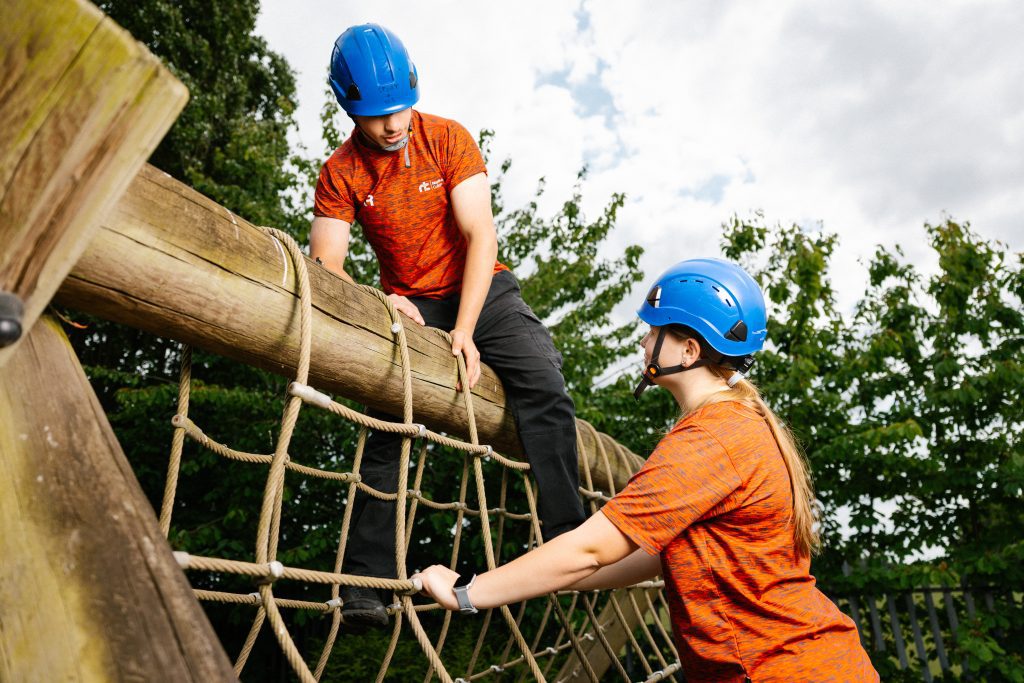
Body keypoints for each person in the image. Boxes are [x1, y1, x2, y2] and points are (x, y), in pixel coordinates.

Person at [414, 258, 880, 682]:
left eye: (654, 331)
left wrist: (465, 593)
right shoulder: (738, 424)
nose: (643, 341)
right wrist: (551, 575)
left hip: (779, 669)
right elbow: (650, 556)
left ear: (689, 351)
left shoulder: (710, 439)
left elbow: (591, 548)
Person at [310, 23, 586, 629]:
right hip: (411, 303)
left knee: (544, 383)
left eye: (400, 108)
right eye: (376, 114)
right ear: (348, 107)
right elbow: (326, 265)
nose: (392, 124)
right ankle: (367, 583)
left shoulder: (447, 138)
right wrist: (382, 301)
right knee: (388, 420)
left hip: (483, 290)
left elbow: (480, 235)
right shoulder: (340, 172)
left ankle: (570, 537)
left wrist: (465, 329)